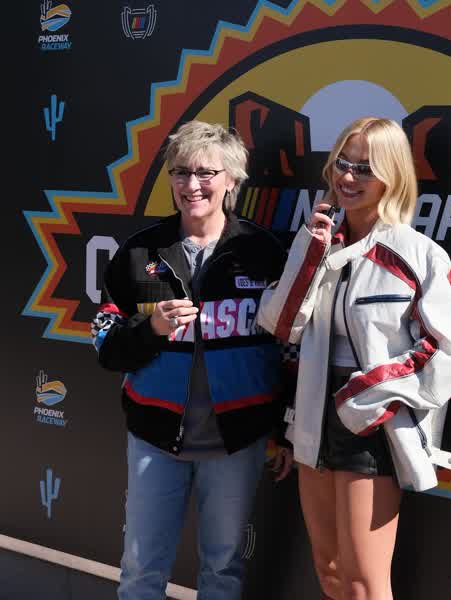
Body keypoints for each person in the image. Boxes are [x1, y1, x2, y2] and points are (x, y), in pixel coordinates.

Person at [257, 117, 451, 600]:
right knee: (329, 569)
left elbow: (449, 352)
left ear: (392, 175)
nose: (348, 177)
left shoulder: (417, 254)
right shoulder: (319, 241)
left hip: (372, 427)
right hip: (312, 417)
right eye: (342, 164)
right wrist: (309, 253)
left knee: (364, 583)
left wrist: (370, 394)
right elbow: (281, 323)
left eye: (365, 168)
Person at [91, 120, 294, 600]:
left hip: (238, 442)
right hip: (155, 438)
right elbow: (105, 342)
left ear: (232, 180)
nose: (192, 185)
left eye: (206, 173)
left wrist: (285, 430)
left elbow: (291, 349)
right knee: (141, 571)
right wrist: (152, 329)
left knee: (222, 570)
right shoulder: (140, 252)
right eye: (181, 172)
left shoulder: (262, 251)